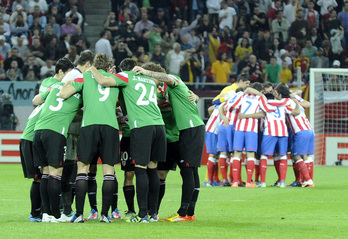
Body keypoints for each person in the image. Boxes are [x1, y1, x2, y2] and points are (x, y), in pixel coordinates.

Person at [90, 58, 166, 223]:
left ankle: (142, 215)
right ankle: (153, 214)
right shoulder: (149, 79)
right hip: (159, 126)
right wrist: (146, 72)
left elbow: (103, 81)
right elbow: (163, 78)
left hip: (142, 126)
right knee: (152, 169)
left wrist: (92, 68)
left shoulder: (125, 76)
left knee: (140, 169)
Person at [132, 62, 205, 222]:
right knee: (168, 173)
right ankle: (159, 212)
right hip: (171, 136)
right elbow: (155, 103)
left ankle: (185, 213)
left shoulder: (173, 82)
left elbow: (168, 80)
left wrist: (145, 71)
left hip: (187, 131)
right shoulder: (158, 92)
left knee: (189, 170)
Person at [59, 53, 121, 223]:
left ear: (93, 64)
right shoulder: (116, 78)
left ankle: (79, 214)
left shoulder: (84, 77)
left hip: (89, 126)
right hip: (110, 127)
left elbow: (63, 94)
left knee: (82, 170)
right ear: (109, 67)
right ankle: (105, 215)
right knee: (109, 172)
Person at [32, 57, 78, 223]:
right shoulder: (77, 92)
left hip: (38, 131)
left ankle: (45, 214)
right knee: (55, 173)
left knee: (45, 173)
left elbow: (35, 100)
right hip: (56, 132)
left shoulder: (53, 86)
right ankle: (56, 214)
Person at [58, 50, 95, 222]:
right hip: (70, 127)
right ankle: (64, 207)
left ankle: (65, 207)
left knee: (70, 167)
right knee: (68, 167)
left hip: (71, 127)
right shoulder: (75, 75)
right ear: (88, 64)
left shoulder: (74, 74)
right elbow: (66, 100)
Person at [228, 82, 276, 187]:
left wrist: (244, 115)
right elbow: (267, 110)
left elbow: (231, 105)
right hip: (251, 129)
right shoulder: (260, 98)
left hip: (239, 128)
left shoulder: (243, 96)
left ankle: (235, 182)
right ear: (261, 91)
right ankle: (249, 182)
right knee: (250, 154)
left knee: (237, 154)